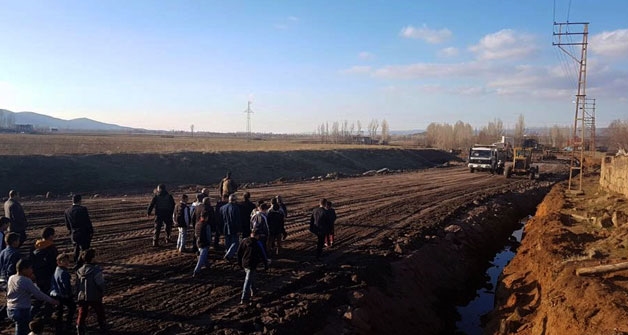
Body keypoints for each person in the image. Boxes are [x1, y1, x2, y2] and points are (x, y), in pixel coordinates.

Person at [6, 259, 59, 335]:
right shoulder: (25, 281)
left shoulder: (12, 278)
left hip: (10, 308)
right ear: (24, 269)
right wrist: (52, 300)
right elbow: (39, 294)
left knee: (21, 327)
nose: (32, 270)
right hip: (21, 309)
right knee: (22, 330)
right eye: (30, 268)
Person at [29, 227, 58, 321]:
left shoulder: (35, 246)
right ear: (50, 236)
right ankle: (47, 315)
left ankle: (33, 312)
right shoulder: (51, 247)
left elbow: (31, 260)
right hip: (48, 275)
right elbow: (53, 262)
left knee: (39, 294)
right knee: (50, 295)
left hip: (38, 275)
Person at [76, 249, 106, 335]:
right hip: (94, 295)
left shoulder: (79, 270)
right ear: (92, 258)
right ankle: (103, 327)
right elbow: (100, 284)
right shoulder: (96, 271)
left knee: (82, 313)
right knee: (100, 312)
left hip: (82, 296)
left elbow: (77, 284)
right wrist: (102, 292)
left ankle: (79, 328)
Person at [237, 232, 268, 305]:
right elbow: (262, 254)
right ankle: (244, 298)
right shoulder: (257, 243)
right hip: (252, 264)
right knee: (247, 280)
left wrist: (239, 263)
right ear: (257, 236)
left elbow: (239, 252)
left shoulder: (244, 241)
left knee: (251, 277)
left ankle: (254, 291)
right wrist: (265, 264)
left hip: (244, 263)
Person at [64, 194, 94, 268]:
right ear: (80, 200)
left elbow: (67, 224)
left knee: (76, 248)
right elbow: (87, 221)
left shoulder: (67, 211)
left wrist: (71, 231)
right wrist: (91, 231)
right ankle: (81, 263)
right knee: (85, 249)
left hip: (74, 233)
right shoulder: (83, 209)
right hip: (83, 232)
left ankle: (76, 262)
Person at [50, 253, 76, 335]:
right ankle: (68, 325)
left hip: (56, 293)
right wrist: (70, 294)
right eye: (64, 261)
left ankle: (59, 328)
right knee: (72, 308)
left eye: (67, 261)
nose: (66, 263)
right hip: (63, 295)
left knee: (60, 312)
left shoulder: (57, 270)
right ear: (58, 262)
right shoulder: (64, 273)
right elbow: (66, 285)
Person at [192, 197, 213, 277]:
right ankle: (196, 270)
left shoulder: (197, 224)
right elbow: (208, 235)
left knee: (202, 254)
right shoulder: (206, 225)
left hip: (198, 241)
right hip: (204, 242)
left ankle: (207, 265)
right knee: (202, 256)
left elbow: (196, 233)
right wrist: (209, 242)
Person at [220, 194, 241, 260]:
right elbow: (237, 219)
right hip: (233, 227)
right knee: (235, 242)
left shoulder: (222, 207)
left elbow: (220, 218)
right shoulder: (235, 208)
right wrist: (238, 229)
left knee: (228, 241)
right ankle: (229, 254)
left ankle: (228, 251)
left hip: (225, 227)